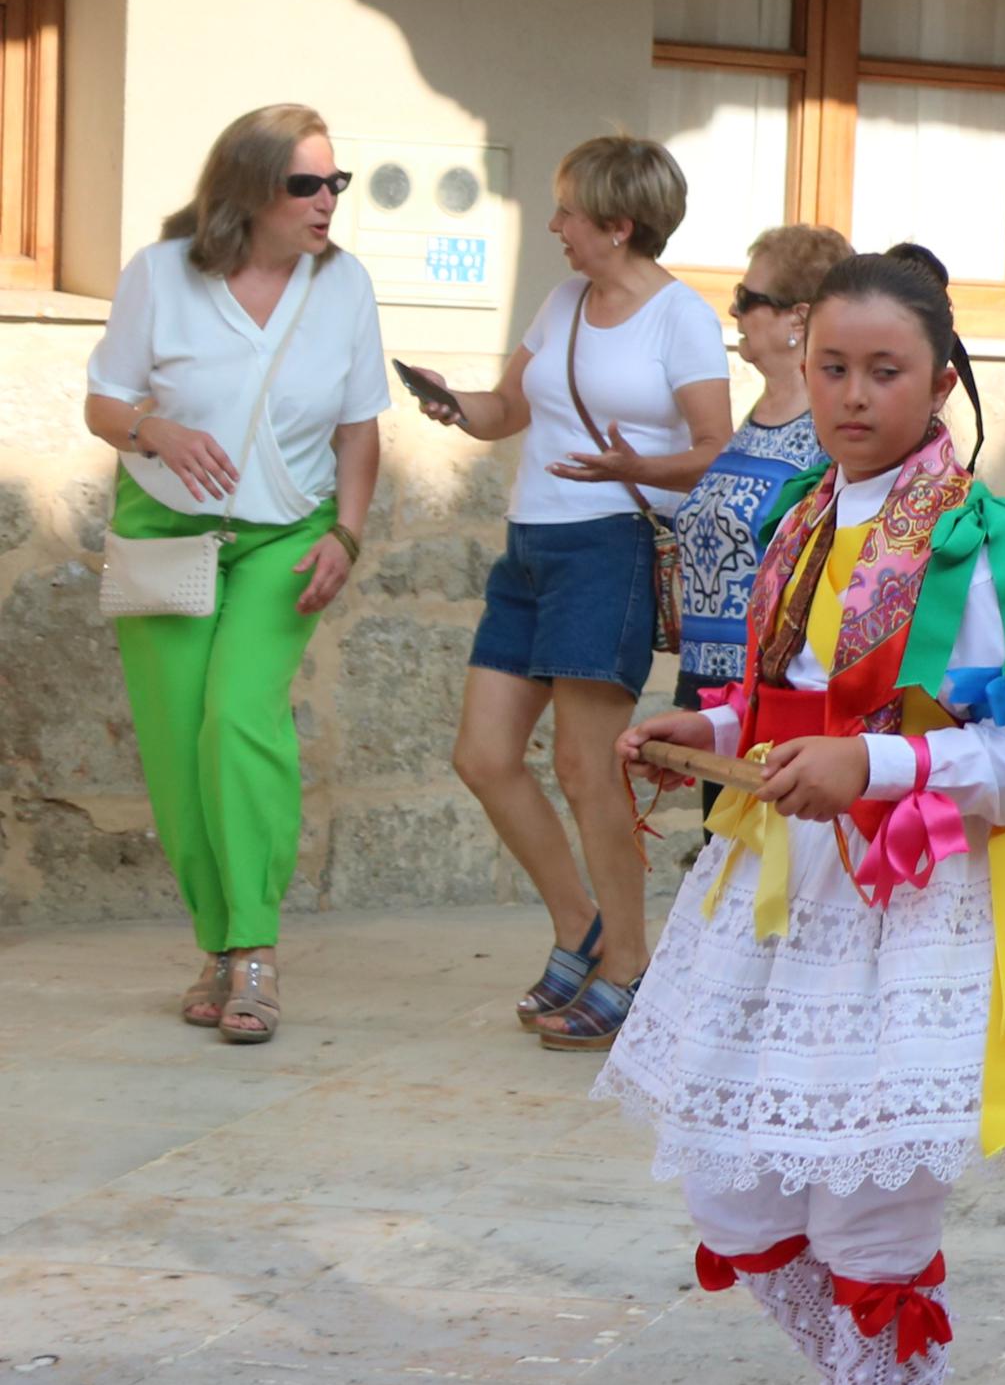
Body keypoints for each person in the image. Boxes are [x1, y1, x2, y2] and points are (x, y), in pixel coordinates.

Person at [604, 244, 1005, 1385]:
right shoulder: (808, 519)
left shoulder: (973, 538)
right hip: (780, 896)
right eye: (831, 366)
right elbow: (790, 700)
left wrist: (877, 771)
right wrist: (701, 733)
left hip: (913, 907)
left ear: (942, 377)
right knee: (739, 1196)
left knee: (867, 1216)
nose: (851, 392)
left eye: (884, 369)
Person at [411, 136, 729, 1053]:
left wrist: (637, 465)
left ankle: (629, 967)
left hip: (610, 549)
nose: (553, 226)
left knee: (589, 769)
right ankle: (580, 925)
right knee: (482, 754)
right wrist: (454, 403)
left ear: (618, 224)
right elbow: (510, 408)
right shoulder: (561, 302)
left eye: (567, 212)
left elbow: (715, 444)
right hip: (531, 547)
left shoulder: (682, 319)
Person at [79, 105, 387, 1044]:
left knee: (239, 717)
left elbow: (359, 427)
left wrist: (348, 532)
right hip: (166, 531)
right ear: (250, 189)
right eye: (307, 184)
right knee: (177, 749)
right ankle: (215, 944)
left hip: (282, 537)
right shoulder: (160, 276)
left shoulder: (344, 287)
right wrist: (154, 428)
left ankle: (255, 948)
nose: (327, 200)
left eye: (338, 182)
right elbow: (103, 400)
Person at [672, 225, 848, 708]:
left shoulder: (826, 433)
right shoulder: (753, 419)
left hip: (768, 693)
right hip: (703, 681)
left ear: (799, 319)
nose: (733, 310)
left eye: (747, 298)